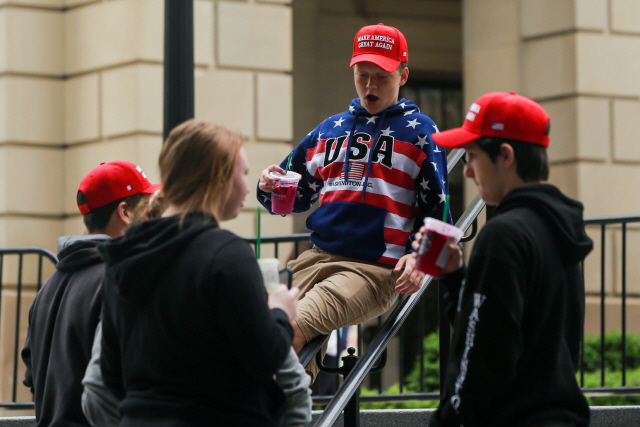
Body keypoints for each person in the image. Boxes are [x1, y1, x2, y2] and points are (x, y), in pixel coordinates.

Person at [257, 23, 450, 379]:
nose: (371, 85)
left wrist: (421, 260)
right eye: (363, 75)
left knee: (289, 325)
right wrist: (268, 183)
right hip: (314, 259)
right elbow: (292, 195)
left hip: (372, 269)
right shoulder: (330, 129)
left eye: (382, 76)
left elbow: (439, 213)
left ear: (403, 75)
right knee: (255, 327)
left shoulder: (422, 132)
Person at [98, 119, 300, 426]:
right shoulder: (228, 254)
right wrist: (280, 313)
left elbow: (112, 374)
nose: (248, 186)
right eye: (243, 174)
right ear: (218, 177)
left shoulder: (123, 255)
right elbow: (265, 358)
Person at [418, 91, 592, 427]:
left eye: (471, 156)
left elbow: (484, 358)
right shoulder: (559, 229)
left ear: (506, 156)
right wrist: (455, 278)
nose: (467, 171)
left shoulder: (503, 234)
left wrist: (446, 420)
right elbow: (507, 331)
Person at [21, 160, 160, 427]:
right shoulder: (119, 279)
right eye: (147, 206)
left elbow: (32, 377)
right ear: (125, 212)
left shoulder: (47, 287)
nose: (154, 214)